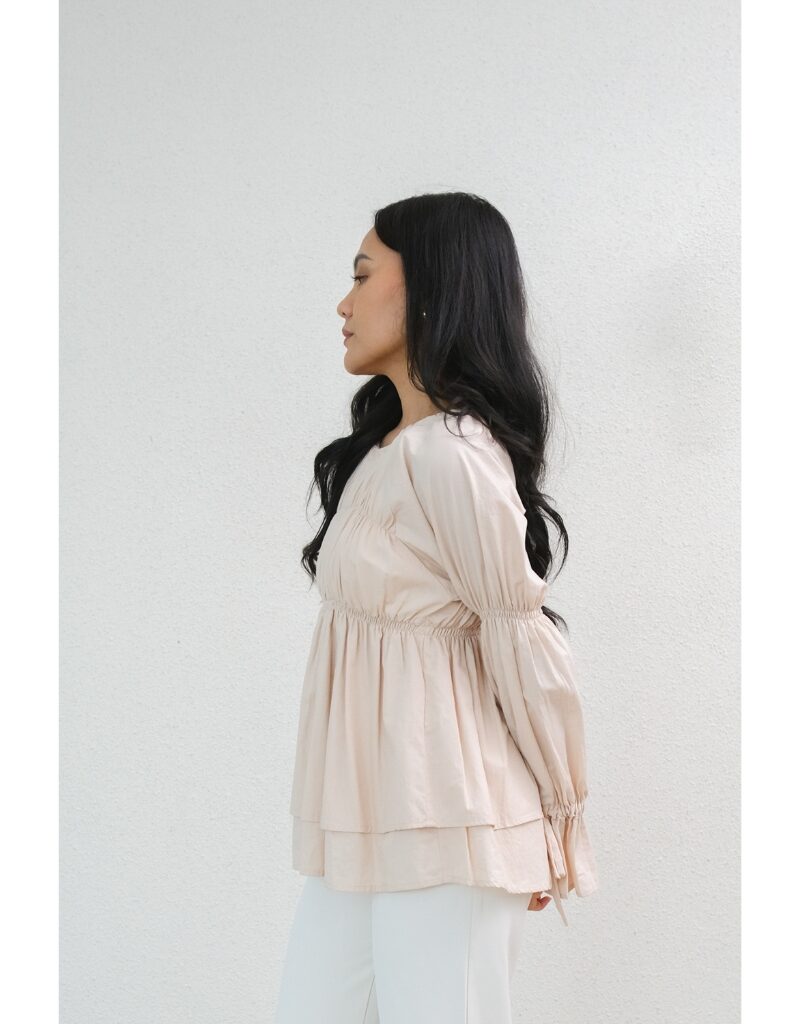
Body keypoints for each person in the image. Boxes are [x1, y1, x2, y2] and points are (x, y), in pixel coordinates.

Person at [275, 192, 599, 1023]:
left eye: (361, 277)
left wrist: (559, 819)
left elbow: (520, 638)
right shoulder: (387, 452)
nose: (342, 304)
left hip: (452, 821)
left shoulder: (455, 453)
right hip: (368, 820)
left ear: (429, 289)